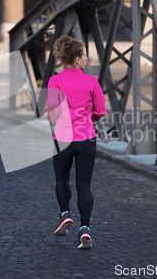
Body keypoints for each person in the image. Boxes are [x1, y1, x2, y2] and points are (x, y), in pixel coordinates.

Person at [46, 35, 106, 249]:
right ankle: (85, 230)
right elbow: (100, 110)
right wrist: (89, 117)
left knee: (61, 178)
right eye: (86, 56)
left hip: (63, 138)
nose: (87, 60)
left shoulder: (55, 81)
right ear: (78, 59)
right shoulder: (91, 81)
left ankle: (64, 214)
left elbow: (51, 114)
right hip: (86, 138)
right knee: (84, 186)